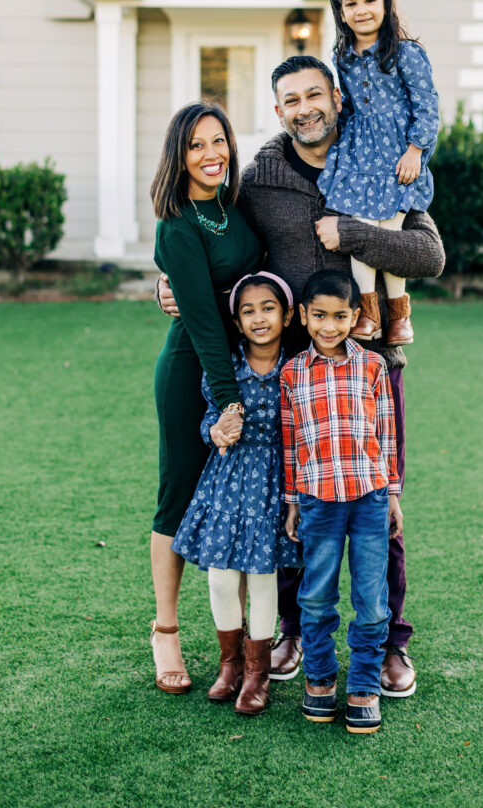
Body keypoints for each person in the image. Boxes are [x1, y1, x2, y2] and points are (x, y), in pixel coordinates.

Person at [158, 54, 445, 699]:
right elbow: (224, 246)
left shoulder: (381, 157)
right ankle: (287, 629)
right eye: (290, 100)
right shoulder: (259, 178)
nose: (304, 108)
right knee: (286, 503)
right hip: (293, 373)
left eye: (315, 94)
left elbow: (430, 253)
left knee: (379, 502)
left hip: (370, 364)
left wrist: (351, 233)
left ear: (337, 98)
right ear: (278, 109)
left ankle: (391, 642)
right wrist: (175, 283)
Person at [149, 102, 261, 695]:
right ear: (178, 155)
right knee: (178, 496)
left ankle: (244, 643)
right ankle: (166, 631)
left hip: (246, 365)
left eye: (219, 141)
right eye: (196, 145)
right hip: (195, 365)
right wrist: (228, 402)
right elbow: (202, 323)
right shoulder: (177, 224)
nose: (211, 154)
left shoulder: (233, 205)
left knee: (240, 501)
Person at [172, 272, 300, 715]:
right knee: (222, 576)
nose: (259, 318)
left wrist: (298, 496)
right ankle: (229, 665)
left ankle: (257, 673)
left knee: (264, 577)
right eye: (248, 311)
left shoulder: (299, 369)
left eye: (268, 308)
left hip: (276, 484)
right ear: (237, 321)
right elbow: (210, 418)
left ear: (286, 315)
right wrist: (216, 431)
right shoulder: (224, 368)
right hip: (228, 481)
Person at [282, 269, 402, 734]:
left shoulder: (373, 367)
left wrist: (393, 494)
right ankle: (319, 681)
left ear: (355, 316)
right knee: (316, 596)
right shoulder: (292, 373)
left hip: (370, 498)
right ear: (304, 317)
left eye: (339, 316)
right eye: (319, 316)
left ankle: (365, 685)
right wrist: (293, 501)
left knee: (371, 600)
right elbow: (291, 444)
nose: (329, 326)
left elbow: (386, 434)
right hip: (318, 501)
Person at [318, 0, 440, 346]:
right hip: (360, 157)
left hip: (397, 157)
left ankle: (400, 316)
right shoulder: (343, 57)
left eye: (370, 0)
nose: (361, 10)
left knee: (386, 231)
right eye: (350, 4)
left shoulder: (405, 53)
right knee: (359, 229)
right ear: (341, 12)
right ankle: (368, 313)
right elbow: (352, 107)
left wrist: (416, 150)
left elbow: (427, 105)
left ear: (386, 4)